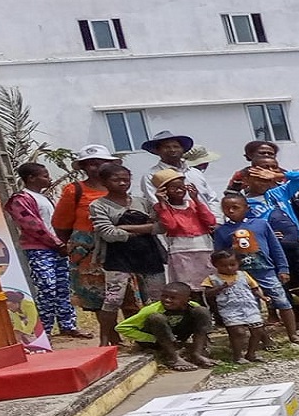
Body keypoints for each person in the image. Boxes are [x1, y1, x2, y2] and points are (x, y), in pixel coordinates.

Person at [6, 161, 91, 339]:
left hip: (58, 248)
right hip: (39, 249)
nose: (49, 178)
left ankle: (68, 325)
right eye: (44, 176)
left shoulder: (44, 197)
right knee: (47, 287)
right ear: (31, 178)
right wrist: (57, 243)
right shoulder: (20, 199)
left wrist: (63, 243)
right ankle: (43, 329)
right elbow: (33, 226)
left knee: (63, 288)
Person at [212, 187, 299, 344]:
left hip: (266, 271)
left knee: (282, 301)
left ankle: (293, 334)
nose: (231, 211)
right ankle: (262, 341)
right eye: (227, 208)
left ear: (247, 208)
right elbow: (219, 255)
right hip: (241, 276)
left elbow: (275, 248)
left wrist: (283, 268)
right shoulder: (222, 231)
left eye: (236, 207)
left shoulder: (261, 224)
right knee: (251, 308)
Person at [241, 159, 299, 331]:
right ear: (246, 181)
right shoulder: (243, 203)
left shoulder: (279, 192)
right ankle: (296, 320)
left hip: (297, 244)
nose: (264, 182)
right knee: (284, 283)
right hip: (271, 249)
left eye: (266, 179)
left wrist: (277, 175)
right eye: (258, 179)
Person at [88, 164, 167, 345]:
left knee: (156, 298)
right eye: (116, 180)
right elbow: (108, 234)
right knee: (113, 299)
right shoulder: (98, 206)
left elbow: (161, 226)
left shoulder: (142, 202)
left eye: (126, 179)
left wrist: (124, 227)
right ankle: (105, 340)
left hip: (148, 254)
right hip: (117, 257)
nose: (123, 183)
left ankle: (158, 338)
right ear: (104, 182)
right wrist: (146, 229)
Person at [54, 144, 117, 330]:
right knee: (96, 294)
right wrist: (80, 244)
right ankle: (110, 336)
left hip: (118, 244)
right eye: (91, 164)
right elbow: (60, 223)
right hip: (88, 249)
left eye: (101, 163)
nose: (96, 168)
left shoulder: (118, 185)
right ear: (83, 167)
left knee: (125, 289)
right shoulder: (74, 190)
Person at [115, 282, 213, 370]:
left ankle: (197, 353)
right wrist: (151, 338)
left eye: (173, 298)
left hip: (176, 337)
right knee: (156, 318)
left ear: (187, 300)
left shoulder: (193, 306)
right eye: (164, 296)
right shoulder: (152, 309)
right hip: (156, 340)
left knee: (202, 311)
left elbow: (201, 325)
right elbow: (122, 327)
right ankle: (174, 358)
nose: (167, 300)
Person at [150, 168, 218, 285]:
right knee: (186, 284)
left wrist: (196, 199)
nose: (179, 190)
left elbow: (210, 221)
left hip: (204, 248)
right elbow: (171, 226)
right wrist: (162, 203)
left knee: (208, 283)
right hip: (181, 251)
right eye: (173, 188)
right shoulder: (161, 208)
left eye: (182, 186)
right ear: (163, 191)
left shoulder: (193, 204)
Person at [201, 251, 271, 363]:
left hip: (249, 306)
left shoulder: (244, 275)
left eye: (232, 265)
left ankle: (251, 354)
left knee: (257, 330)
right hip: (230, 309)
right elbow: (208, 293)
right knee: (238, 332)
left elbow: (254, 288)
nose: (228, 268)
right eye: (224, 266)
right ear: (215, 265)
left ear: (238, 263)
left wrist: (262, 297)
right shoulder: (212, 278)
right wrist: (221, 287)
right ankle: (238, 356)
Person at [136, 131, 216, 212]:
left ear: (183, 149)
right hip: (177, 222)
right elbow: (156, 203)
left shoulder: (194, 172)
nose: (172, 150)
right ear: (157, 151)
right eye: (167, 147)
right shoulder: (152, 175)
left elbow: (212, 199)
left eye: (176, 146)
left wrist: (217, 220)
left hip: (207, 221)